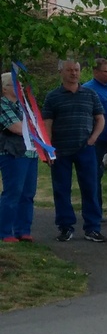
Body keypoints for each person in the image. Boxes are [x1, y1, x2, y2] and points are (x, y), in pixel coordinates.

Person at [40, 59, 106, 243]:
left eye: (76, 70)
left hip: (85, 148)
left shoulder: (90, 94)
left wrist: (93, 138)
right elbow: (47, 123)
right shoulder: (53, 96)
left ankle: (92, 228)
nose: (74, 73)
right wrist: (48, 147)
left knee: (91, 188)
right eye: (69, 70)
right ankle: (65, 227)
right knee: (61, 189)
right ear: (61, 71)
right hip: (60, 150)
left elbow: (100, 118)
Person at [1, 71, 40, 243]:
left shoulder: (24, 106)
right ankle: (5, 232)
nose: (20, 87)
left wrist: (33, 127)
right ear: (4, 88)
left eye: (21, 85)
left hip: (31, 152)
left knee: (28, 193)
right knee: (13, 192)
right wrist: (33, 127)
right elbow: (16, 127)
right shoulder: (3, 104)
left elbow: (36, 124)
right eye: (15, 84)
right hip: (13, 153)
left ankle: (23, 230)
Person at [83, 58, 107, 210]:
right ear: (96, 72)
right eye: (106, 71)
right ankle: (95, 209)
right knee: (95, 175)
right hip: (97, 139)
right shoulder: (88, 89)